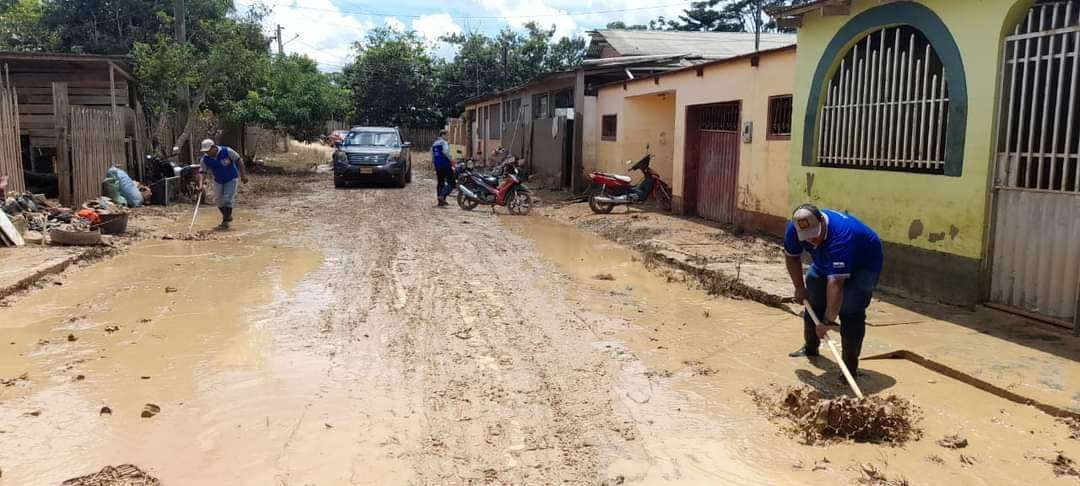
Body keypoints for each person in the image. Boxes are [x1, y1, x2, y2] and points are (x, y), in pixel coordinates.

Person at [783, 204, 883, 382]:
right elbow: (791, 256)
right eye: (807, 238)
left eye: (815, 234)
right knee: (813, 297)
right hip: (827, 260)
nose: (812, 241)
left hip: (864, 264)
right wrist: (799, 287)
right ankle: (811, 347)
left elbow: (835, 282)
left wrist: (828, 321)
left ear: (821, 221)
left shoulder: (841, 235)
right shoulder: (795, 228)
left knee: (851, 309)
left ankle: (849, 369)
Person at [196, 139, 248, 230]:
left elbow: (239, 160)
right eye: (205, 152)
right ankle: (228, 216)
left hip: (231, 178)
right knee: (218, 200)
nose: (207, 153)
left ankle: (225, 221)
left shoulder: (227, 151)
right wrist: (200, 185)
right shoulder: (205, 159)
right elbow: (202, 172)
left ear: (213, 147)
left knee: (227, 198)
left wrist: (243, 175)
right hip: (218, 180)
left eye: (208, 151)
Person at [432, 130, 455, 206]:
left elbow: (433, 157)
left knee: (440, 183)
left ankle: (440, 202)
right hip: (446, 165)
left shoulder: (434, 144)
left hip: (438, 166)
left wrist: (434, 166)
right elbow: (446, 152)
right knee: (452, 183)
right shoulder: (444, 143)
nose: (448, 137)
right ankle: (442, 196)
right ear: (443, 135)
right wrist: (452, 160)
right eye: (447, 135)